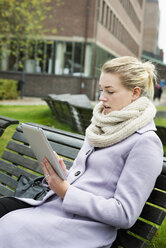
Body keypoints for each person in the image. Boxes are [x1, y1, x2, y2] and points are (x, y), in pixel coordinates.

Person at [0, 56, 163, 248]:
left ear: (135, 93)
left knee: (10, 226)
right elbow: (88, 180)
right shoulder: (100, 125)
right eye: (101, 89)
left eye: (110, 91)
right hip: (55, 208)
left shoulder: (145, 142)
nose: (102, 98)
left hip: (82, 228)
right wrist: (60, 174)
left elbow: (124, 213)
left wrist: (66, 191)